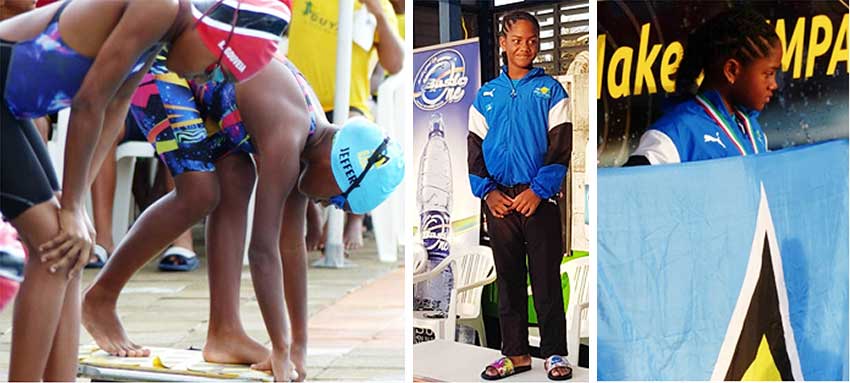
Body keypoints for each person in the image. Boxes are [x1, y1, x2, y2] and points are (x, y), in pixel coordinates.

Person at [0, 0, 288, 380]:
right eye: (215, 69)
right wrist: (70, 206)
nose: (206, 80)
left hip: (11, 104)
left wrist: (77, 208)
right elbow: (90, 101)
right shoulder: (159, 7)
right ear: (211, 34)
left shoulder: (162, 34)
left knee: (71, 247)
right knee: (53, 244)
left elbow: (117, 106)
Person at [82, 53, 404, 381]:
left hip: (206, 92)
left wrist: (299, 345)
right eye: (339, 199)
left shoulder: (308, 145)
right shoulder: (288, 135)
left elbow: (289, 247)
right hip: (165, 65)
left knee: (236, 176)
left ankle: (224, 331)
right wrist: (279, 344)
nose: (327, 205)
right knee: (199, 192)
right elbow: (262, 250)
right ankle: (100, 298)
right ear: (339, 167)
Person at [467, 11, 572, 381]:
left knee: (545, 281)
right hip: (499, 203)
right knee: (508, 281)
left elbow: (561, 149)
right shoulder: (486, 96)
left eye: (531, 40)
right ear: (503, 43)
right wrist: (488, 194)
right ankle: (515, 355)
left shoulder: (551, 91)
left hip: (538, 201)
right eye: (517, 40)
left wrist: (539, 191)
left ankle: (555, 354)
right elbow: (474, 150)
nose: (525, 47)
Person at [288, 0, 403, 250]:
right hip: (302, 96)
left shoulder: (378, 5)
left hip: (352, 102)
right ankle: (313, 217)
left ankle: (353, 218)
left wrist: (379, 16)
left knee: (358, 141)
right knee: (291, 143)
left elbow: (395, 64)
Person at [624, 7, 780, 166]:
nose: (774, 85)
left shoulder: (750, 127)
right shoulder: (679, 130)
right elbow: (630, 183)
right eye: (768, 74)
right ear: (732, 71)